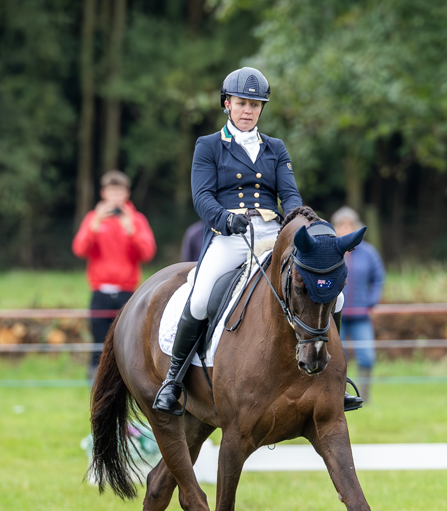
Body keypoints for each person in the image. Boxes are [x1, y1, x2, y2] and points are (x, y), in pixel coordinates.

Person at [153, 66, 361, 414]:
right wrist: (225, 219)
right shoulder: (209, 146)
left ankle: (333, 378)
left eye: (255, 105)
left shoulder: (275, 148)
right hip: (230, 234)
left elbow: (290, 195)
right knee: (202, 297)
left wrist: (297, 220)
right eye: (241, 103)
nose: (248, 110)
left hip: (274, 234)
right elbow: (202, 197)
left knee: (332, 295)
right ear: (227, 104)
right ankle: (173, 380)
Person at [73, 170, 157, 382]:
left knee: (127, 338)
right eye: (112, 192)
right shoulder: (94, 219)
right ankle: (96, 380)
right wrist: (94, 225)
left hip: (127, 292)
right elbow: (80, 249)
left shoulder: (136, 220)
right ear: (104, 194)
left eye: (119, 192)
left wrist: (131, 231)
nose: (115, 197)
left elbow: (147, 253)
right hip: (100, 291)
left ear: (126, 194)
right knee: (98, 339)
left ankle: (127, 379)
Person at [332, 206, 385, 404]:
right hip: (336, 315)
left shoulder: (369, 252)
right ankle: (338, 397)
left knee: (367, 356)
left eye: (349, 225)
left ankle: (364, 397)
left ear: (356, 227)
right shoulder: (329, 250)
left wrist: (372, 300)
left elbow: (379, 277)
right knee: (337, 358)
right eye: (341, 225)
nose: (345, 229)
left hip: (361, 315)